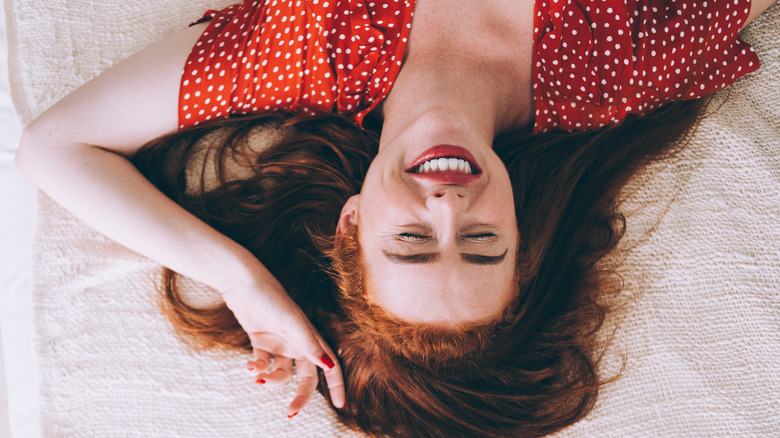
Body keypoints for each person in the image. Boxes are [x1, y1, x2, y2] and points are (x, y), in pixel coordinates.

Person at [15, 0, 777, 436]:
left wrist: (241, 279)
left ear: (350, 223)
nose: (447, 209)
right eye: (481, 243)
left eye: (412, 242)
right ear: (520, 229)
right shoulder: (619, 67)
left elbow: (54, 147)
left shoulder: (310, 51)